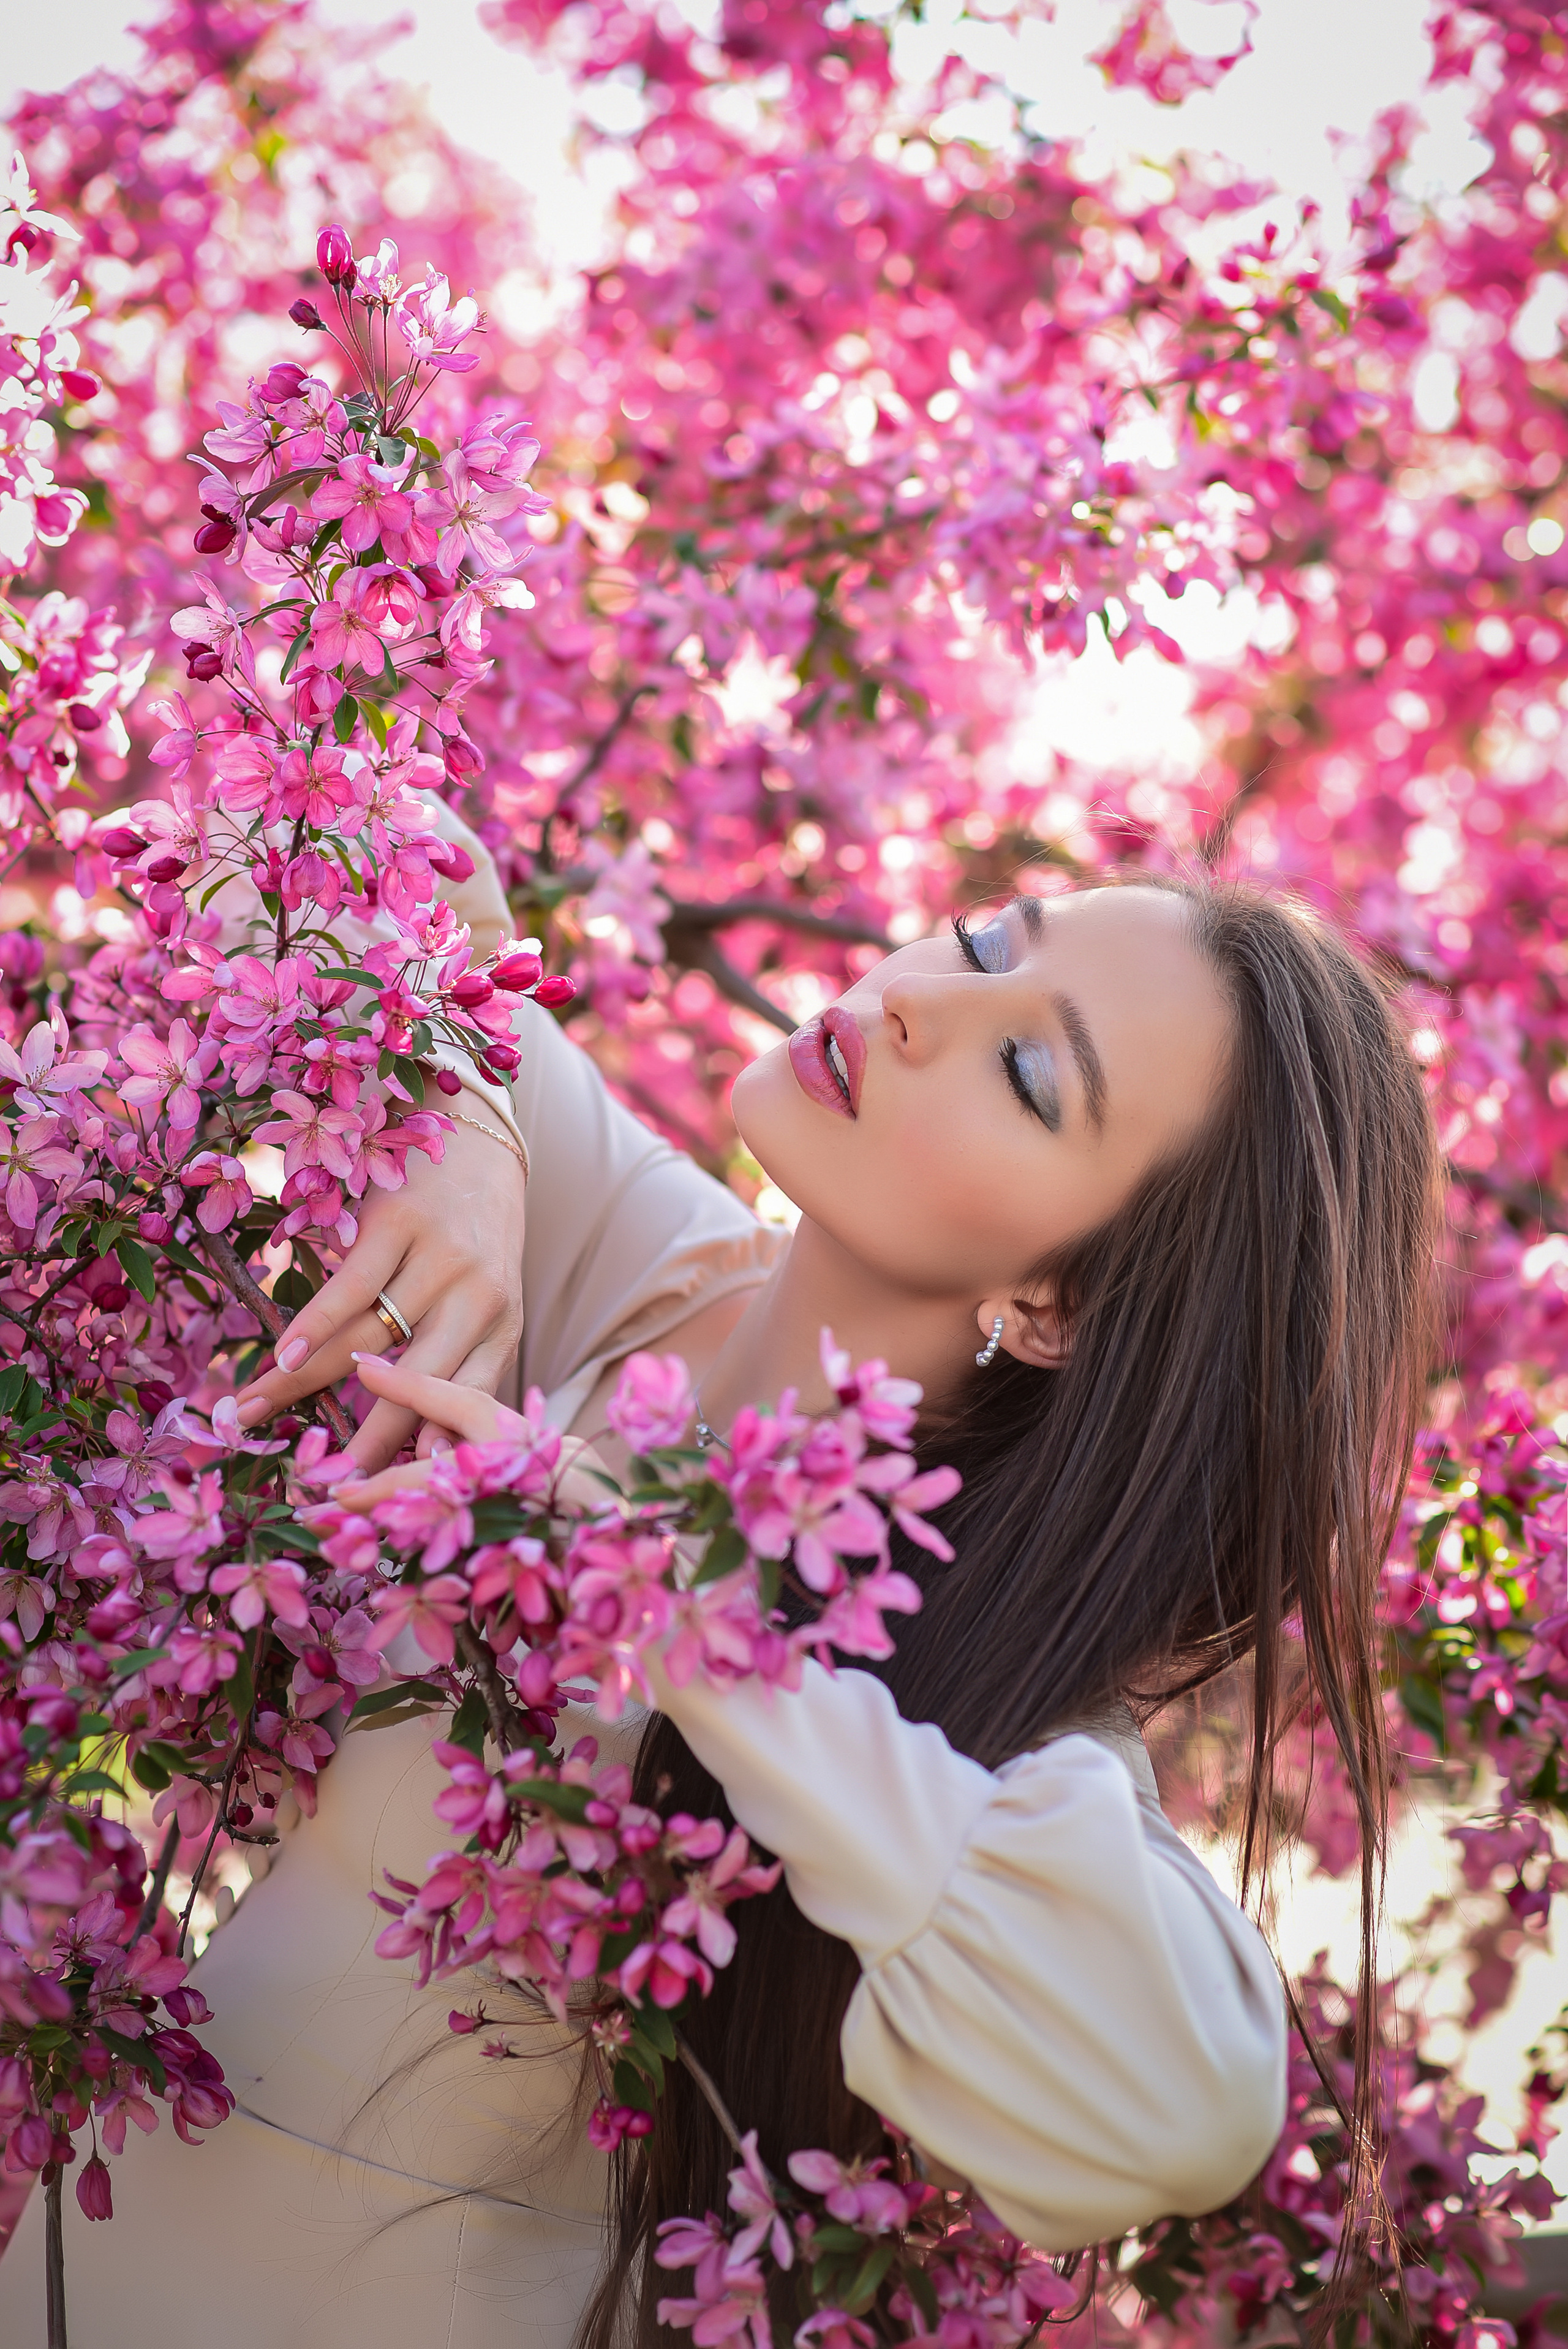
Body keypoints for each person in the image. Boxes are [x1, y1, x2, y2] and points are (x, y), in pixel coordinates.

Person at [2, 832, 1441, 2349]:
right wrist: (471, 1143)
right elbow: (307, 842)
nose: (919, 1003)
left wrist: (682, 1615)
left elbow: (1179, 2115)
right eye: (986, 941)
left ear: (1059, 1302)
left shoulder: (982, 1726)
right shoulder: (649, 1274)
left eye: (1026, 1074)